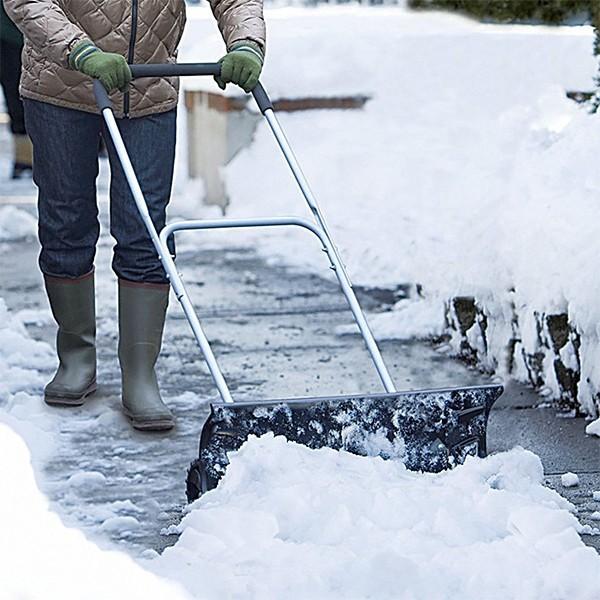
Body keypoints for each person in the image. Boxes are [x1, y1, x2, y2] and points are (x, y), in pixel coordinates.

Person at [3, 0, 265, 431]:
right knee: (66, 222)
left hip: (149, 88)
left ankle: (140, 375)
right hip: (60, 84)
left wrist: (246, 42)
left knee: (147, 227)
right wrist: (79, 50)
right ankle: (76, 358)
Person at [0, 2, 32, 178]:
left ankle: (25, 159)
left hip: (20, 33)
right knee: (15, 98)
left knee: (20, 97)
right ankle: (24, 159)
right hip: (10, 34)